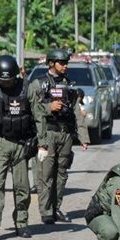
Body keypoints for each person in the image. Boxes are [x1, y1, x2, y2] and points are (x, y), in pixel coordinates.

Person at [0, 55, 47, 240]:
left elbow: (39, 116)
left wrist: (42, 143)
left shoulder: (27, 88)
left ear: (16, 75)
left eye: (10, 79)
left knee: (22, 186)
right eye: (3, 79)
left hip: (22, 144)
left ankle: (21, 223)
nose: (7, 83)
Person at [31, 49, 90, 225]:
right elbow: (32, 109)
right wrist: (49, 108)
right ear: (51, 63)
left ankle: (56, 208)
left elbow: (76, 112)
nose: (65, 66)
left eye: (66, 63)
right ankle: (46, 210)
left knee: (62, 174)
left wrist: (83, 136)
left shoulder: (69, 84)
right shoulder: (38, 84)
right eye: (61, 63)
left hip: (66, 134)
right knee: (46, 174)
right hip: (48, 133)